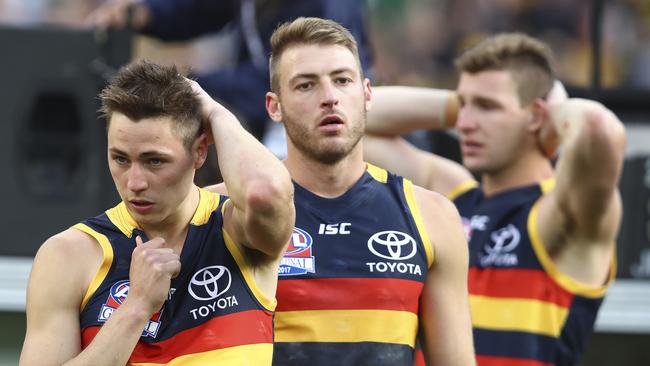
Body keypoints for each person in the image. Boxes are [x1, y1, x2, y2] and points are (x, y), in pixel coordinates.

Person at [206, 17, 475, 366]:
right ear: (274, 106)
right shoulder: (218, 209)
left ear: (366, 94)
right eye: (306, 86)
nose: (330, 98)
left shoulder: (432, 215)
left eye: (342, 81)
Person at [364, 33, 626, 366]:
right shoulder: (453, 196)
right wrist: (456, 104)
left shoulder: (557, 213)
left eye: (487, 107)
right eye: (464, 107)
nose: (466, 124)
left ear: (537, 116)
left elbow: (597, 127)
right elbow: (356, 120)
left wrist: (554, 113)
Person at [19, 59, 295, 365]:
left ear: (199, 151)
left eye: (155, 161)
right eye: (121, 159)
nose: (134, 183)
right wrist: (136, 307)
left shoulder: (238, 231)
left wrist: (214, 112)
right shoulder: (70, 255)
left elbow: (266, 193)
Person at [86, 0, 373, 142]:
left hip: (319, 125)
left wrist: (175, 81)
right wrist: (145, 13)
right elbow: (201, 11)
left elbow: (274, 85)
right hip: (269, 119)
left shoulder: (328, 6)